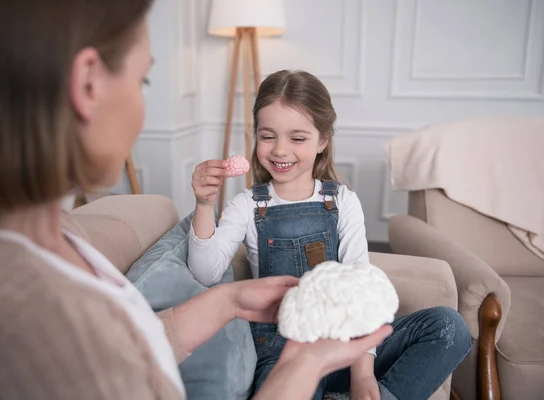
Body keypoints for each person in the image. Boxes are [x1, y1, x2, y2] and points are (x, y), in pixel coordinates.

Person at [0, 2, 395, 400]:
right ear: (87, 85)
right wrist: (303, 365)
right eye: (144, 80)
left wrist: (227, 302)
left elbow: (117, 353)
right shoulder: (33, 310)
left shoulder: (50, 234)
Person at [188, 70, 472, 400]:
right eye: (268, 136)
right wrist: (204, 204)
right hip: (284, 354)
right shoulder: (247, 205)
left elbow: (360, 285)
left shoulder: (342, 202)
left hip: (346, 345)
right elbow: (204, 273)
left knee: (449, 327)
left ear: (322, 140)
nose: (280, 150)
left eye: (297, 138)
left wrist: (363, 373)